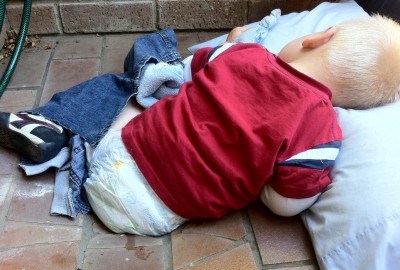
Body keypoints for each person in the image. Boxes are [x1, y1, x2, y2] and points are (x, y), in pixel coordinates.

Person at [0, 15, 399, 236]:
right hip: (154, 215)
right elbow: (284, 205)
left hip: (114, 159)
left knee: (146, 61)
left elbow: (188, 70)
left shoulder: (247, 56)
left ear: (317, 38)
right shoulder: (322, 134)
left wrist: (230, 44)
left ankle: (57, 125)